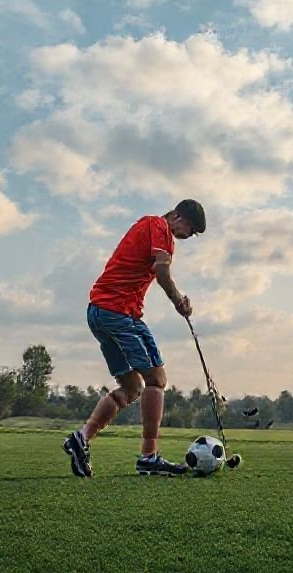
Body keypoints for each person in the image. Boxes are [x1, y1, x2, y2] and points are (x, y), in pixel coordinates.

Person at [63, 199, 206, 477]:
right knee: (157, 379)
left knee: (132, 389)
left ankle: (81, 438)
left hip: (99, 313)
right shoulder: (158, 226)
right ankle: (149, 457)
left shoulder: (151, 228)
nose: (188, 235)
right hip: (118, 313)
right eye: (189, 228)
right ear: (177, 216)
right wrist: (179, 302)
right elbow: (162, 273)